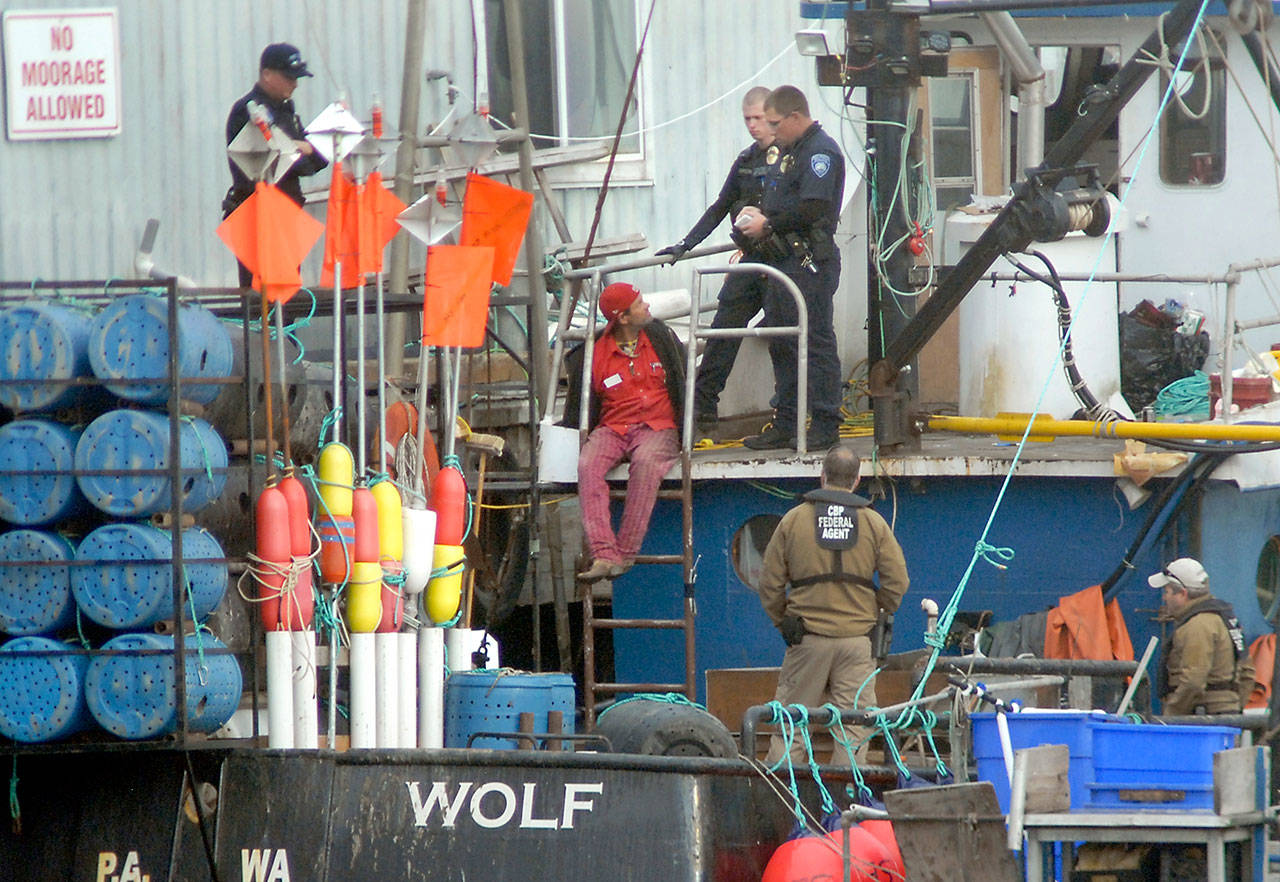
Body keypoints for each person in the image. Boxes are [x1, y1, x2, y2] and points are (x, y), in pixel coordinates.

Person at [757, 442, 909, 764]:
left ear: (822, 475)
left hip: (806, 639)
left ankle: (781, 803)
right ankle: (847, 805)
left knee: (792, 726)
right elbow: (898, 582)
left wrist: (784, 620)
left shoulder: (793, 520)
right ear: (856, 481)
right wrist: (875, 611)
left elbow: (769, 583)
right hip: (857, 642)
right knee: (853, 730)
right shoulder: (873, 523)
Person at [655, 86, 777, 437]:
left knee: (785, 335)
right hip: (751, 258)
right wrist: (684, 244)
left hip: (784, 260)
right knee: (723, 328)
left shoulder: (791, 159)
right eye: (747, 119)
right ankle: (703, 407)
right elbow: (721, 205)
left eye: (759, 118)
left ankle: (790, 410)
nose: (753, 126)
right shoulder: (745, 160)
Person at [736, 85, 845, 452]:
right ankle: (786, 420)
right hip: (782, 261)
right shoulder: (789, 152)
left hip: (808, 261)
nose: (771, 131)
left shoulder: (820, 152)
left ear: (795, 117)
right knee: (780, 339)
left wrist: (768, 224)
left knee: (815, 340)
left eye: (775, 123)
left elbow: (813, 207)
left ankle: (826, 422)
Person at [562, 283, 685, 582]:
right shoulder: (593, 354)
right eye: (640, 304)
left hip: (658, 426)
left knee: (645, 465)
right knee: (588, 465)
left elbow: (686, 380)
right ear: (624, 319)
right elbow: (579, 404)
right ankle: (604, 555)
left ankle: (624, 555)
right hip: (613, 427)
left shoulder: (662, 337)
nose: (648, 307)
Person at [223, 42, 329, 286]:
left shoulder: (286, 110)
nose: (295, 84)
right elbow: (282, 159)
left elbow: (315, 161)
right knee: (262, 301)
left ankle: (286, 324)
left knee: (287, 294)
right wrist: (300, 148)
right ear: (267, 75)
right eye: (289, 77)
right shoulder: (248, 111)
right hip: (257, 217)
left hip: (287, 214)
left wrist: (306, 148)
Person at [1149, 558, 1254, 715]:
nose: (1165, 598)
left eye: (1167, 591)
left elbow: (1193, 682)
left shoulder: (1197, 626)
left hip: (1200, 718)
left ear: (1183, 594)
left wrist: (1170, 717)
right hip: (1225, 716)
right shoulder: (1227, 618)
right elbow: (1247, 672)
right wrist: (1233, 708)